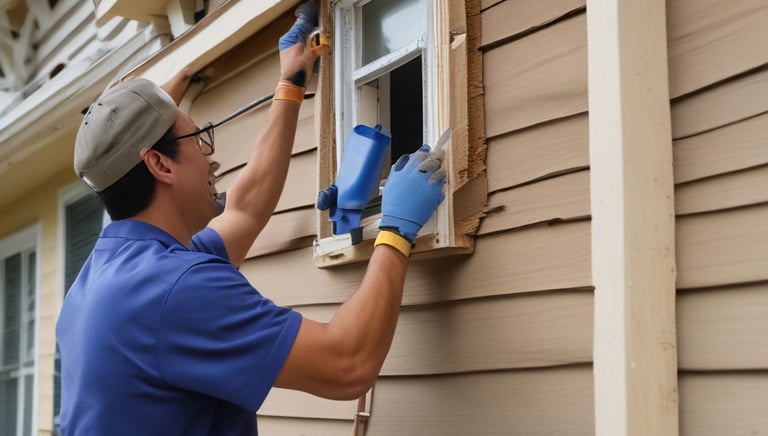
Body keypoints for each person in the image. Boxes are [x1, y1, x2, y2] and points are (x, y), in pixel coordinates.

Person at [55, 1, 446, 435]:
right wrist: (394, 231)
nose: (211, 157)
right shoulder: (175, 289)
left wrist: (291, 84)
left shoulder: (113, 275)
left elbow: (247, 206)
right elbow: (347, 364)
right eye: (198, 140)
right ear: (160, 166)